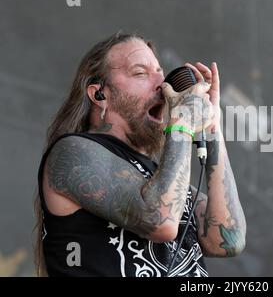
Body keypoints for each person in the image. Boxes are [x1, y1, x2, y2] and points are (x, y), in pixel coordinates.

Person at [34, 32, 246, 277]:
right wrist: (182, 122)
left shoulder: (159, 178)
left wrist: (211, 128)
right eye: (140, 73)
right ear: (100, 94)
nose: (162, 84)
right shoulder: (71, 151)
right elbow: (160, 221)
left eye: (160, 72)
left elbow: (227, 240)